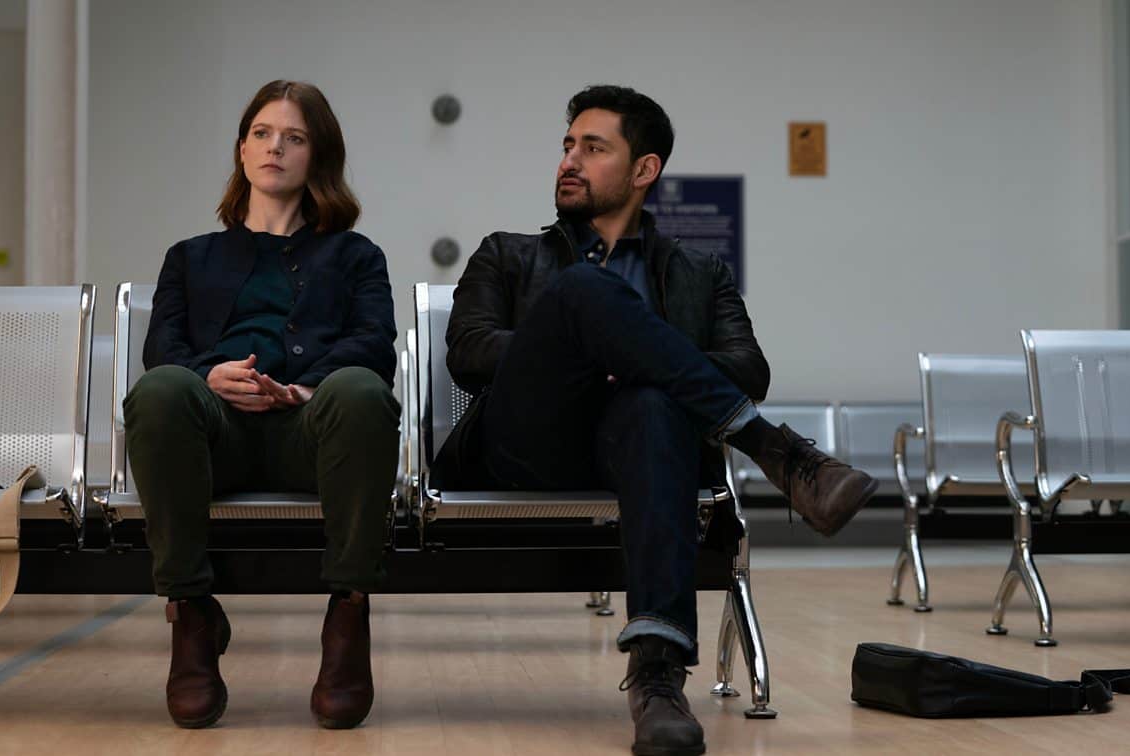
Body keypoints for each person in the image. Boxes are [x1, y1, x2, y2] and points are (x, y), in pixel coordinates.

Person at [437, 84, 878, 755]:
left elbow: (749, 368)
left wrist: (640, 361)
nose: (569, 161)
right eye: (567, 146)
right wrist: (588, 347)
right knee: (583, 292)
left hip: (641, 450)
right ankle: (776, 451)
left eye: (593, 148)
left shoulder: (701, 271)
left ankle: (657, 678)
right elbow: (468, 352)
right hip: (524, 445)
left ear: (644, 169)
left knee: (649, 403)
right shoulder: (507, 253)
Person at [124, 80, 400, 730]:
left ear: (317, 156)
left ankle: (349, 612)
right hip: (214, 436)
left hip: (311, 434)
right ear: (243, 150)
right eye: (262, 133)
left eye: (294, 137)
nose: (275, 146)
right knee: (161, 390)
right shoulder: (188, 258)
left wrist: (302, 389)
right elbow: (162, 350)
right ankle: (191, 613)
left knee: (362, 390)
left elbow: (373, 345)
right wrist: (209, 376)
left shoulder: (356, 256)